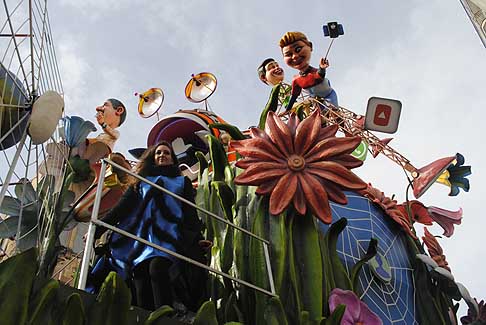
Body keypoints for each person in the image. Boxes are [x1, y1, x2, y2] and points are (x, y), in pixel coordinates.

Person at [86, 141, 208, 311]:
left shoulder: (182, 182)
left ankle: (164, 316)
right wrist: (97, 229)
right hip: (140, 238)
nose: (162, 155)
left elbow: (189, 213)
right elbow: (121, 209)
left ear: (172, 159)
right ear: (153, 158)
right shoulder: (140, 182)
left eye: (166, 153)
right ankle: (145, 316)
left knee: (158, 267)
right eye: (158, 153)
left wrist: (198, 239)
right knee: (140, 274)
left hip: (167, 235)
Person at [279, 31, 339, 111]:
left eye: (298, 49)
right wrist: (287, 110)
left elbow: (319, 76)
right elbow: (294, 96)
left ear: (310, 46)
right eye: (288, 55)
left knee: (334, 113)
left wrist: (322, 68)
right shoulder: (296, 80)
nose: (295, 56)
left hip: (329, 96)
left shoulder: (314, 72)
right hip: (316, 101)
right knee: (320, 118)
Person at [82, 98, 127, 164]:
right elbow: (94, 140)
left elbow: (112, 133)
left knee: (100, 146)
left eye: (105, 105)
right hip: (93, 150)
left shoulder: (116, 133)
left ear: (119, 110)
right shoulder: (101, 135)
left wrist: (103, 123)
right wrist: (83, 140)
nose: (98, 108)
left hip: (103, 151)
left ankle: (87, 163)